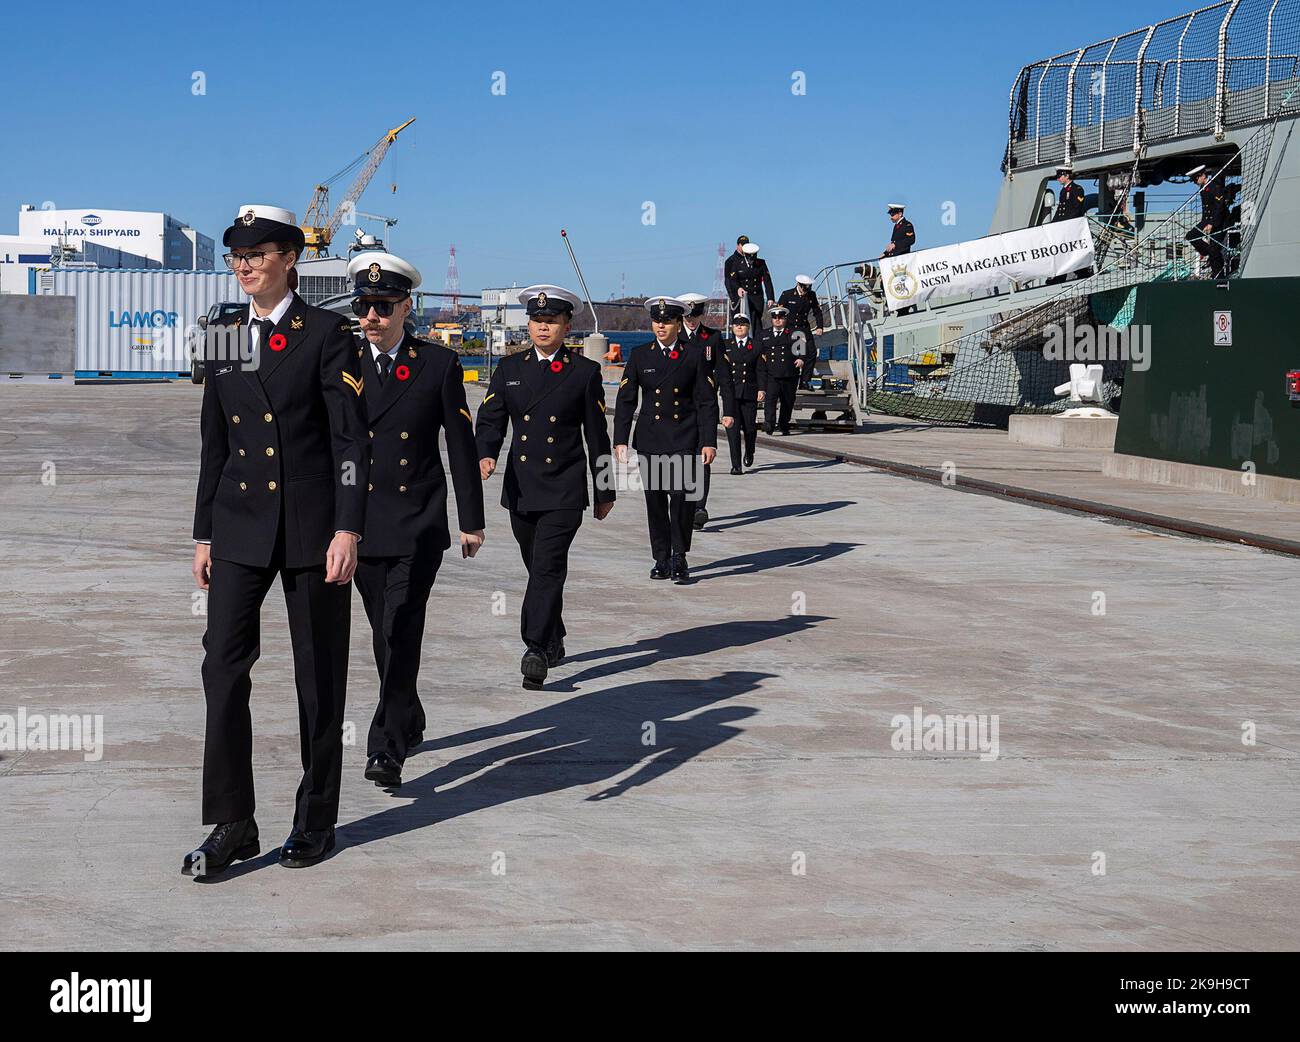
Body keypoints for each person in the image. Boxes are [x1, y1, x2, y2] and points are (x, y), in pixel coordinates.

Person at [185, 204, 369, 875]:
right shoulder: (225, 332)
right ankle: (234, 821)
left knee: (318, 679)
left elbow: (351, 439)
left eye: (258, 252)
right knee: (222, 668)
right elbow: (215, 441)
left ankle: (315, 818)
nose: (244, 263)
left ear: (290, 258)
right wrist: (203, 531)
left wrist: (349, 525)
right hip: (237, 525)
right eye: (237, 252)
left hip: (311, 531)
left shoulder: (326, 333)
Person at [347, 251, 485, 790]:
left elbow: (459, 444)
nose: (371, 317)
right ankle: (411, 712)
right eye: (364, 306)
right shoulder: (343, 362)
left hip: (415, 522)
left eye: (382, 306)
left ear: (406, 306)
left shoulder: (437, 365)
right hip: (356, 524)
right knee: (384, 632)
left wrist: (470, 519)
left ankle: (387, 745)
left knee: (402, 624)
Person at [476, 286, 615, 691]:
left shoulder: (583, 373)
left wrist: (604, 490)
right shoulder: (510, 370)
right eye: (537, 321)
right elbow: (491, 419)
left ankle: (535, 648)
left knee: (548, 565)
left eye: (551, 321)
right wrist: (486, 453)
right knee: (537, 566)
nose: (542, 327)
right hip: (522, 489)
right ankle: (553, 635)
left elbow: (598, 437)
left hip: (564, 490)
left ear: (566, 326)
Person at [614, 296, 718, 585]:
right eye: (656, 321)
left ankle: (680, 556)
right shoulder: (640, 356)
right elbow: (626, 401)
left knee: (682, 500)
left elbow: (706, 402)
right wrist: (620, 440)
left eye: (667, 321)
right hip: (651, 440)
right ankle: (661, 558)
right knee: (656, 501)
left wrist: (708, 441)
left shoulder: (693, 354)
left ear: (677, 323)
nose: (661, 326)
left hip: (684, 437)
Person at [678, 292, 734, 530]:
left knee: (703, 457)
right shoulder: (674, 337)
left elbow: (724, 376)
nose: (691, 320)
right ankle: (683, 505)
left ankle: (699, 507)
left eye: (696, 315)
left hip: (705, 406)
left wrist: (729, 410)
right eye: (688, 315)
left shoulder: (712, 338)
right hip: (679, 407)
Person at [721, 313, 764, 473]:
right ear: (732, 327)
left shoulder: (756, 346)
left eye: (743, 324)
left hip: (749, 392)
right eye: (736, 324)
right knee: (732, 429)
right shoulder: (726, 345)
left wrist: (762, 389)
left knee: (749, 428)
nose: (739, 327)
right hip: (730, 393)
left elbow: (760, 369)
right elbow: (721, 370)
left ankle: (750, 450)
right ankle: (736, 465)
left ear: (748, 327)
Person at [759, 305, 802, 436]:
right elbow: (759, 352)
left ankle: (784, 425)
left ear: (785, 318)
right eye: (775, 317)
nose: (777, 320)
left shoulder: (795, 333)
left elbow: (802, 351)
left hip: (789, 374)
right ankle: (769, 424)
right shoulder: (764, 334)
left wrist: (801, 359)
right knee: (770, 400)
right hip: (772, 374)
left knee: (787, 402)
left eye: (780, 317)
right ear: (772, 319)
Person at [776, 274, 825, 385]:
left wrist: (820, 327)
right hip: (790, 328)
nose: (805, 291)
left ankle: (805, 381)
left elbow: (817, 312)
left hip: (804, 327)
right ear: (798, 285)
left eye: (808, 288)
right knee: (795, 353)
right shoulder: (787, 294)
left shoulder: (811, 295)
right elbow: (779, 313)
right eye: (804, 288)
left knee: (811, 352)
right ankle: (791, 380)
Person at [1185, 164, 1230, 279]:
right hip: (1208, 220)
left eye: (1195, 178)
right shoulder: (1204, 189)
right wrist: (1205, 223)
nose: (1195, 182)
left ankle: (1218, 276)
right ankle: (1207, 252)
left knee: (1215, 249)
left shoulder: (1214, 186)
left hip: (1220, 221)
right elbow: (1206, 210)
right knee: (1191, 235)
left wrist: (1211, 224)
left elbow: (1220, 207)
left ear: (1203, 176)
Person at [724, 236, 775, 333]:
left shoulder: (760, 263)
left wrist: (770, 297)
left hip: (756, 297)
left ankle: (757, 345)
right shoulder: (733, 262)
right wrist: (734, 296)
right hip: (741, 299)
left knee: (756, 324)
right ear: (738, 245)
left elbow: (767, 280)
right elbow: (730, 281)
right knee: (741, 324)